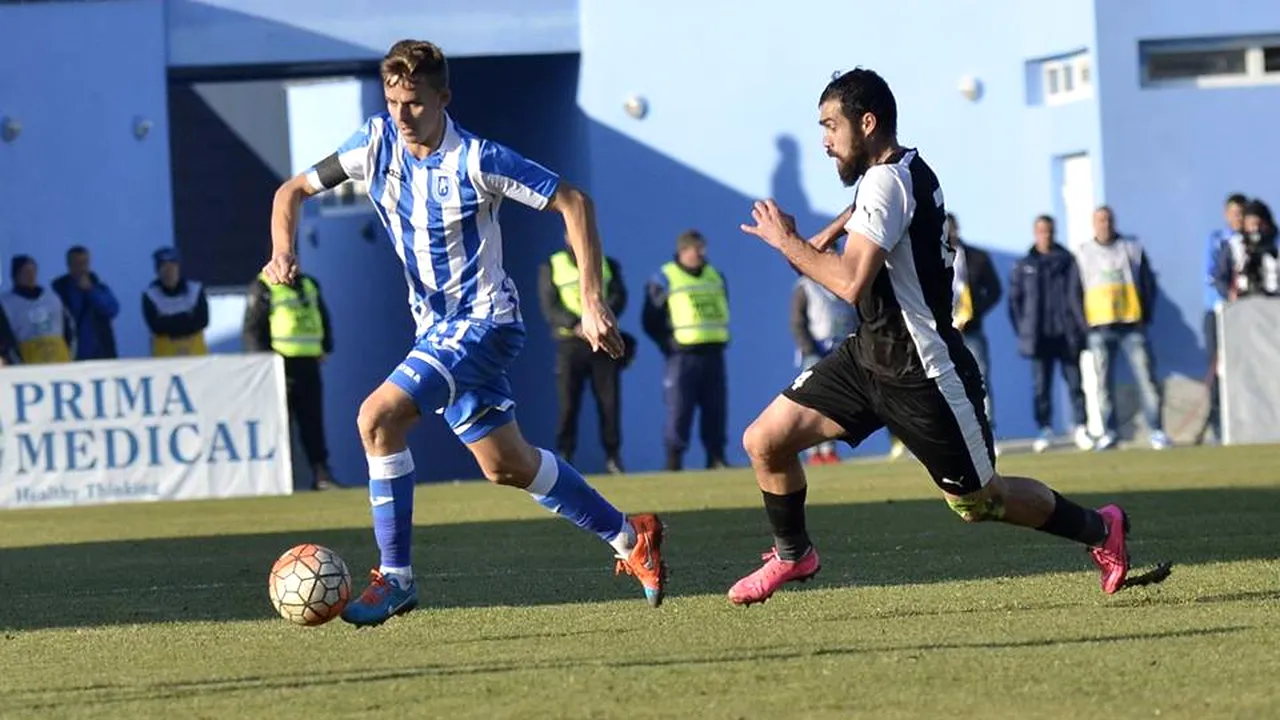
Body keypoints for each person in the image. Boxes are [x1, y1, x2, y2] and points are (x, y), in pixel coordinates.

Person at [263, 39, 665, 627]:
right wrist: (283, 251)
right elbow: (290, 191)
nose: (402, 115)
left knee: (377, 418)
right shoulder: (374, 143)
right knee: (506, 465)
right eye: (393, 100)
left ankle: (395, 579)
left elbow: (574, 202)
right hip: (436, 332)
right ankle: (632, 538)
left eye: (416, 103)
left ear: (443, 98)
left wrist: (592, 301)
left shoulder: (478, 159)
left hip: (485, 323)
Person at [728, 68, 1161, 607]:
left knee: (980, 501)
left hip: (924, 372)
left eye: (831, 126)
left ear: (868, 123)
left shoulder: (887, 183)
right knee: (764, 441)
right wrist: (823, 235)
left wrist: (789, 241)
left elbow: (848, 282)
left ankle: (1101, 529)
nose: (825, 141)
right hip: (868, 358)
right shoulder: (904, 168)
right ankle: (794, 555)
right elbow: (872, 209)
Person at [1073, 207, 1170, 451]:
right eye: (1100, 220)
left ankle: (1156, 430)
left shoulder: (1131, 248)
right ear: (1093, 224)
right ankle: (1109, 432)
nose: (1105, 224)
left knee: (1147, 378)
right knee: (1102, 383)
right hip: (1099, 326)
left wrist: (1145, 315)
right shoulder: (1083, 253)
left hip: (1131, 324)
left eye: (1108, 220)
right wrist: (1082, 322)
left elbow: (1148, 283)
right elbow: (1074, 291)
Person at [642, 230, 732, 471]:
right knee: (679, 410)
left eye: (703, 248)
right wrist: (668, 344)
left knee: (716, 410)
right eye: (696, 249)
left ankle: (716, 457)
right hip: (682, 357)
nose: (701, 253)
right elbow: (650, 319)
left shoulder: (715, 275)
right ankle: (674, 461)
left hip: (713, 353)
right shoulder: (665, 277)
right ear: (683, 251)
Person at [243, 268, 340, 491]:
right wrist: (263, 363)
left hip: (309, 362)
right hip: (279, 366)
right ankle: (278, 480)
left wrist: (326, 346)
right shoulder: (263, 287)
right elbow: (253, 329)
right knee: (280, 424)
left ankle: (321, 473)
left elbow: (322, 316)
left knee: (313, 423)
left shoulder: (308, 284)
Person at [538, 240, 628, 474]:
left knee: (609, 403)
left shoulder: (607, 264)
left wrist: (599, 322)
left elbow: (619, 296)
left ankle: (613, 456)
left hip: (601, 341)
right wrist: (576, 324)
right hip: (570, 343)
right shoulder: (553, 265)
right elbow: (550, 305)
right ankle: (565, 455)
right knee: (568, 403)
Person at [1008, 215, 1092, 453]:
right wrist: (1024, 330)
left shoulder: (1068, 261)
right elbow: (1015, 302)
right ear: (1036, 233)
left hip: (1066, 335)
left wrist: (1079, 327)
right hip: (1038, 337)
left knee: (1075, 383)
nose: (1047, 235)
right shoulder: (1025, 264)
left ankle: (1081, 427)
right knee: (1040, 387)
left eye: (1050, 231)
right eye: (1042, 231)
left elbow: (1079, 293)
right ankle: (1045, 429)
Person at [790, 266, 856, 465]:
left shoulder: (844, 283)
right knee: (812, 405)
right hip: (816, 353)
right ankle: (813, 452)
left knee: (834, 404)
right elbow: (797, 321)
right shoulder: (806, 286)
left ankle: (828, 450)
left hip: (840, 350)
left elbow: (853, 316)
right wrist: (809, 349)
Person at [946, 213, 1002, 448]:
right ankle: (953, 436)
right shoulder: (928, 256)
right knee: (946, 382)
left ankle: (987, 432)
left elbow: (995, 290)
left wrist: (975, 312)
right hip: (941, 332)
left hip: (971, 330)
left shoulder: (977, 257)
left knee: (980, 378)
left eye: (952, 228)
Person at [1199, 194, 1247, 444]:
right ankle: (1218, 426)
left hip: (1248, 316)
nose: (1239, 219)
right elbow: (1212, 274)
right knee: (1218, 369)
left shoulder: (1256, 240)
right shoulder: (1217, 240)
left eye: (1243, 213)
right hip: (1218, 312)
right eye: (1235, 214)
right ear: (1226, 215)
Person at [0, 256, 74, 364]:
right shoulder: (6, 303)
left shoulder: (52, 297)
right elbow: (5, 338)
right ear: (16, 275)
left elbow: (70, 329)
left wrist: (70, 354)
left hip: (60, 360)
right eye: (25, 272)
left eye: (33, 271)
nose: (30, 275)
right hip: (28, 362)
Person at [51, 245, 120, 361]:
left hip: (101, 355)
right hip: (70, 355)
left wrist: (91, 291)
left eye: (84, 263)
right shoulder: (59, 292)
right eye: (76, 263)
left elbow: (113, 310)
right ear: (68, 265)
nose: (81, 268)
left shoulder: (100, 288)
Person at [143, 247, 210, 356]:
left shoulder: (195, 290)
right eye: (164, 268)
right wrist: (187, 317)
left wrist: (168, 321)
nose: (168, 272)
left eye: (172, 267)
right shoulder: (150, 295)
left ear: (178, 268)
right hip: (165, 356)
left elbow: (202, 320)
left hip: (196, 355)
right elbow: (156, 326)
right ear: (157, 271)